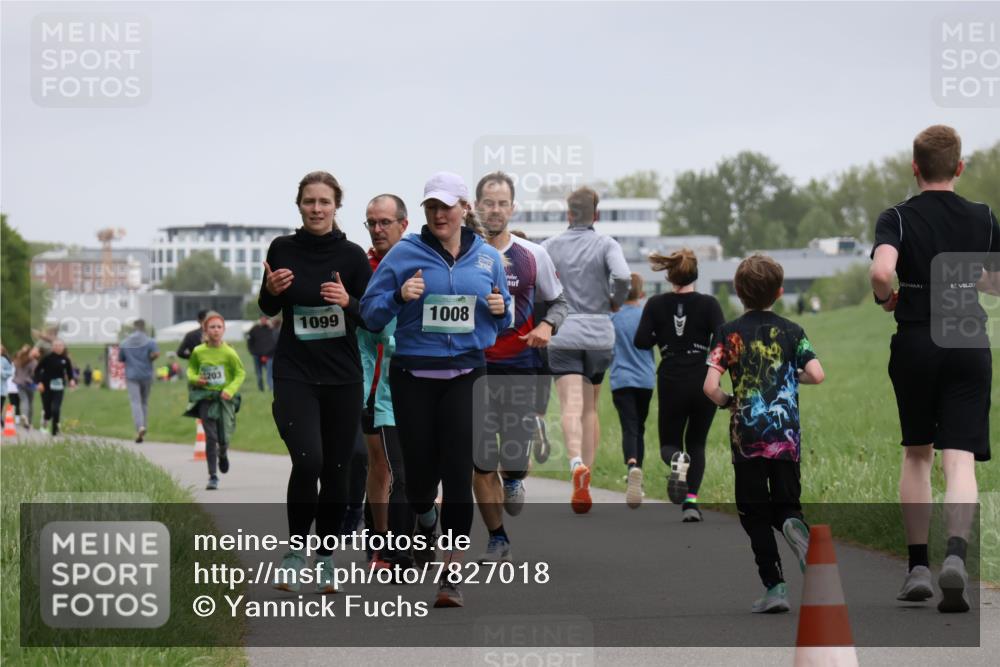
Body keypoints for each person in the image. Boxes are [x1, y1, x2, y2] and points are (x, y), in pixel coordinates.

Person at [361, 171, 510, 608]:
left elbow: (502, 314)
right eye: (431, 207)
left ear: (465, 208)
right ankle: (428, 517)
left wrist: (503, 310)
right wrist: (399, 297)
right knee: (422, 483)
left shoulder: (487, 258)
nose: (439, 214)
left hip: (467, 374)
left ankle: (450, 574)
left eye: (447, 206)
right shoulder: (404, 255)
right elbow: (370, 313)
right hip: (414, 378)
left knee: (459, 475)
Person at [869, 125, 999, 613]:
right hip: (966, 338)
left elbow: (882, 272)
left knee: (918, 454)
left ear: (915, 167)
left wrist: (887, 298)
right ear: (959, 168)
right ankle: (958, 558)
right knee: (960, 457)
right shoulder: (983, 218)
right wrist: (976, 281)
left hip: (918, 339)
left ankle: (918, 567)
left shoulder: (897, 218)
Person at [259, 170, 372, 595]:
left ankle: (325, 557)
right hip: (296, 372)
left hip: (342, 376)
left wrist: (348, 301)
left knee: (338, 469)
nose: (317, 208)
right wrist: (270, 290)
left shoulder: (353, 257)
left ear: (336, 206)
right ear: (300, 205)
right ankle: (295, 552)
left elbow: (370, 315)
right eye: (310, 201)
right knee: (308, 461)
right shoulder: (282, 248)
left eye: (325, 202)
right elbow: (268, 306)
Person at [704, 254, 825, 613]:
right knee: (787, 502)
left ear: (739, 293)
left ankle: (775, 588)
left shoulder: (729, 333)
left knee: (753, 511)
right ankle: (792, 524)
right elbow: (817, 374)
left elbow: (710, 386)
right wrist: (792, 378)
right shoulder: (793, 331)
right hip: (786, 436)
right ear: (780, 291)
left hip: (748, 437)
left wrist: (728, 402)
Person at [472, 172, 567, 563]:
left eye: (501, 203)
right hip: (472, 367)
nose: (494, 210)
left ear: (512, 208)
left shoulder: (533, 254)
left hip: (520, 366)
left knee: (513, 455)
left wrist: (547, 325)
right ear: (476, 206)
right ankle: (497, 538)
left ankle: (513, 478)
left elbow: (559, 302)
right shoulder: (461, 252)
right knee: (479, 460)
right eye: (488, 202)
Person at [542, 186, 631, 513]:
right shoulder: (607, 244)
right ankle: (587, 480)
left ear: (568, 213)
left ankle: (575, 461)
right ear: (596, 215)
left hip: (563, 332)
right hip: (598, 332)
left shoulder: (549, 246)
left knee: (570, 403)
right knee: (590, 407)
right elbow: (622, 275)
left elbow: (539, 284)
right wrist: (615, 300)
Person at [634, 249, 725, 522]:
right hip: (702, 379)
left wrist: (662, 336)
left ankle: (676, 460)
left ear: (669, 275)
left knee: (670, 443)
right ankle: (691, 505)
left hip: (671, 378)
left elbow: (640, 341)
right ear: (696, 274)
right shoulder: (709, 304)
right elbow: (721, 340)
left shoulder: (656, 304)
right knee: (697, 443)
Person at [357, 193, 414, 570]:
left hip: (417, 378)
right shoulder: (360, 267)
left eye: (384, 223)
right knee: (385, 466)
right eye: (371, 223)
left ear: (403, 225)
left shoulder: (420, 262)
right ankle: (383, 542)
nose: (377, 230)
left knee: (412, 467)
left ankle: (412, 536)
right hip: (372, 383)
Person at [184, 311, 246, 490]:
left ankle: (224, 453)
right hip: (205, 398)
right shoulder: (198, 351)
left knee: (224, 437)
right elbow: (191, 371)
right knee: (210, 438)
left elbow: (240, 373)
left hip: (225, 399)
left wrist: (229, 390)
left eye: (219, 327)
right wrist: (196, 379)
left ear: (224, 330)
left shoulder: (229, 352)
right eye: (212, 327)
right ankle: (212, 476)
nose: (216, 330)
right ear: (205, 330)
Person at [609, 274, 655, 509]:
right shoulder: (647, 317)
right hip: (645, 380)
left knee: (629, 426)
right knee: (639, 427)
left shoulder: (613, 317)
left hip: (621, 379)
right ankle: (639, 473)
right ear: (642, 294)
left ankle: (632, 466)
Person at [118, 319, 160, 442]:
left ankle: (139, 426)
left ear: (134, 327)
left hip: (132, 375)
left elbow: (121, 358)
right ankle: (144, 427)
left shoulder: (125, 342)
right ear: (144, 327)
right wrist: (149, 358)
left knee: (135, 402)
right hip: (146, 374)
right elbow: (156, 353)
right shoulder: (150, 341)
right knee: (144, 402)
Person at [33, 339, 76, 436]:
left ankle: (55, 431)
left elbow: (69, 372)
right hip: (46, 386)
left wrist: (71, 380)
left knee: (56, 409)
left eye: (60, 345)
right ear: (53, 347)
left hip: (59, 387)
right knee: (47, 409)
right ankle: (46, 418)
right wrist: (39, 382)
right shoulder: (47, 358)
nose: (58, 347)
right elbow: (37, 371)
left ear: (63, 347)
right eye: (56, 345)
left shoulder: (65, 359)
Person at [246, 316, 277, 392]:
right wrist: (252, 352)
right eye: (262, 319)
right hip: (257, 355)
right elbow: (249, 341)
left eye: (265, 319)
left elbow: (275, 342)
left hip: (269, 355)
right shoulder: (254, 329)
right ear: (259, 319)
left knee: (270, 372)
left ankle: (271, 388)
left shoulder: (271, 330)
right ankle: (261, 389)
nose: (263, 320)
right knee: (259, 374)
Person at [13, 345, 38, 429]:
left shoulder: (17, 360)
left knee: (23, 400)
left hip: (19, 384)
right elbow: (35, 373)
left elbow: (15, 372)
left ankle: (24, 415)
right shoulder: (33, 361)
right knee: (30, 402)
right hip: (29, 384)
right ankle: (29, 421)